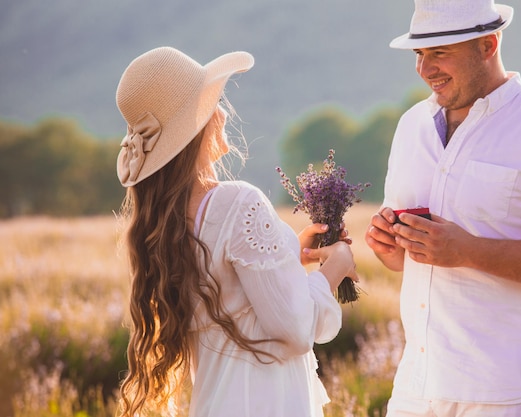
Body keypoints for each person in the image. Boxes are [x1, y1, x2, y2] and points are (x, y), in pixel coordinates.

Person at [365, 1, 521, 416]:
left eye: (440, 52)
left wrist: (466, 251)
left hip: (508, 392)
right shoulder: (411, 127)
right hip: (415, 388)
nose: (425, 69)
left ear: (488, 44)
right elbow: (416, 260)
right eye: (419, 54)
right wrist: (392, 249)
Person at [114, 46, 358, 417]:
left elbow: (233, 295)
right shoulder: (238, 202)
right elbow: (295, 330)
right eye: (211, 102)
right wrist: (334, 267)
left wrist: (287, 253)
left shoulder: (166, 222)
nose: (223, 112)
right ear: (193, 126)